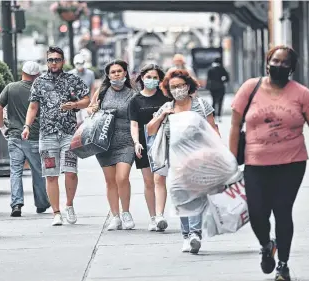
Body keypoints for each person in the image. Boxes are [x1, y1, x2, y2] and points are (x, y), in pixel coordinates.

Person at [229, 45, 309, 281]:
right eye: (275, 61)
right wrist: (231, 158)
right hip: (255, 163)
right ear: (267, 62)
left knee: (282, 212)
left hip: (291, 163)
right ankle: (267, 246)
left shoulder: (301, 94)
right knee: (257, 214)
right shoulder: (250, 88)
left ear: (292, 68)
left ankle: (282, 265)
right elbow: (235, 125)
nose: (279, 66)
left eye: (285, 63)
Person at [146, 69, 220, 254]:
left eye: (181, 86)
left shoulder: (201, 105)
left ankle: (195, 234)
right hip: (174, 159)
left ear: (188, 86)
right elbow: (150, 130)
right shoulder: (167, 107)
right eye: (173, 87)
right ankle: (186, 235)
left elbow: (213, 130)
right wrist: (163, 116)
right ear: (168, 90)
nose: (178, 90)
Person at [22, 46, 90, 226]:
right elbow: (33, 107)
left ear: (63, 61)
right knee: (50, 175)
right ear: (47, 62)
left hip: (68, 133)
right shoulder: (39, 82)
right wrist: (27, 126)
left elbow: (86, 100)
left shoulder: (72, 79)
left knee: (71, 172)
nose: (53, 63)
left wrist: (74, 105)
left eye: (57, 60)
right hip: (47, 134)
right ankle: (56, 212)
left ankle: (69, 205)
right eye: (50, 60)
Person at [87, 60, 137, 231]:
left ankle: (126, 212)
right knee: (110, 181)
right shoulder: (102, 92)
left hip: (126, 141)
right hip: (104, 141)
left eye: (119, 71)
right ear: (108, 75)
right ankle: (115, 216)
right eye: (113, 72)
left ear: (125, 73)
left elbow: (137, 119)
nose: (116, 74)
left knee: (122, 178)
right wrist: (92, 109)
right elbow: (91, 108)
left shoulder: (132, 94)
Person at [0, 61, 50, 217]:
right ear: (37, 75)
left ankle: (16, 204)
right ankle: (41, 203)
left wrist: (2, 126)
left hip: (14, 135)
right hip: (34, 135)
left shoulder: (11, 88)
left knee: (15, 171)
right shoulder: (40, 90)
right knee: (38, 171)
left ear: (22, 72)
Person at [128, 64, 170, 232]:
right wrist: (136, 142)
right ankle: (152, 217)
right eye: (148, 77)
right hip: (144, 143)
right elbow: (133, 124)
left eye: (155, 77)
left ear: (160, 80)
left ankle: (160, 215)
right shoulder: (135, 100)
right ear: (142, 78)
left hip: (162, 142)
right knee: (148, 181)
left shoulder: (165, 98)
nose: (151, 80)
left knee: (159, 179)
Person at [206, 57, 230, 122]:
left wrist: (208, 87)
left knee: (213, 101)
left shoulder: (210, 69)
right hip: (220, 87)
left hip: (212, 87)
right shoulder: (222, 69)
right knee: (220, 102)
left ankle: (213, 115)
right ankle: (219, 115)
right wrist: (223, 81)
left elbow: (208, 79)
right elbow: (227, 78)